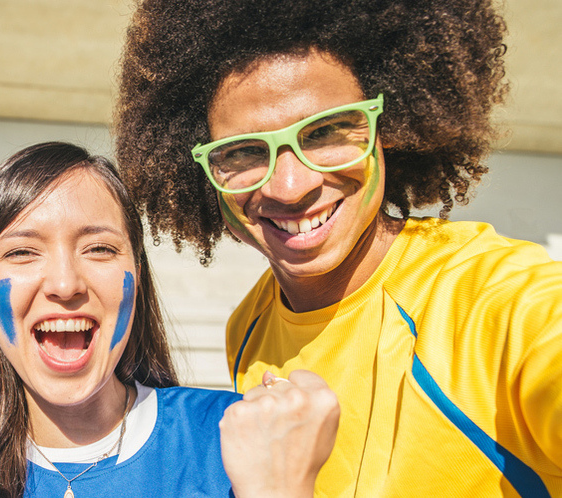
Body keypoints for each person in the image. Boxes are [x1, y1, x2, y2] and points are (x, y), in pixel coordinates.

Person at [115, 0, 562, 496]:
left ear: (385, 129)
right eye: (242, 152)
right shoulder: (248, 328)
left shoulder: (493, 302)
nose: (288, 185)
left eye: (325, 131)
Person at [0, 142, 340, 498]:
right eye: (22, 252)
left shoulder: (232, 439)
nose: (65, 283)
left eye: (98, 248)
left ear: (136, 276)